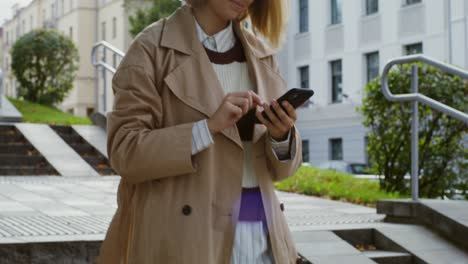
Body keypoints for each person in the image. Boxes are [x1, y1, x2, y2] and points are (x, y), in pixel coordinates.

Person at [96, 0, 302, 263]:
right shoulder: (151, 49)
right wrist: (207, 128)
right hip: (186, 239)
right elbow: (125, 151)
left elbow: (282, 171)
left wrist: (281, 135)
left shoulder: (262, 54)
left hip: (263, 238)